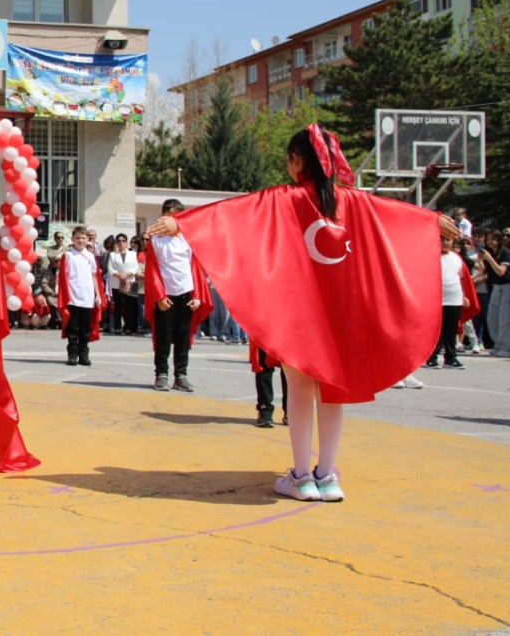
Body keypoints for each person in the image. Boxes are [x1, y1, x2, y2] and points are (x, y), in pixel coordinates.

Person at [148, 125, 459, 502]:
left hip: (302, 314)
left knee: (299, 392)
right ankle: (327, 475)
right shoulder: (352, 202)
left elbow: (236, 213)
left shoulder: (285, 198)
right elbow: (392, 215)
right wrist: (430, 221)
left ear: (297, 161)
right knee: (334, 394)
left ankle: (301, 476)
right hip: (343, 314)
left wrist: (183, 222)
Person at [143, 199, 211, 393]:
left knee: (183, 337)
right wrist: (159, 296)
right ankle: (161, 374)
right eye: (170, 216)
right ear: (163, 217)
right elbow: (152, 270)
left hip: (186, 293)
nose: (173, 220)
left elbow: (195, 268)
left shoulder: (188, 239)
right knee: (163, 337)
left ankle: (181, 375)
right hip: (166, 295)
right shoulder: (156, 241)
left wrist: (197, 296)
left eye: (177, 216)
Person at [424, 235, 475, 370]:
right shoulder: (431, 256)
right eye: (442, 240)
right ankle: (431, 358)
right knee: (437, 331)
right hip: (436, 300)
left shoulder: (456, 258)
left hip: (454, 299)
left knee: (451, 330)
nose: (445, 243)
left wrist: (464, 296)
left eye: (448, 240)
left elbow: (462, 278)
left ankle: (450, 358)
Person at [56, 226, 102, 366]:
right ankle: (72, 354)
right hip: (73, 297)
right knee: (73, 328)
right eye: (77, 238)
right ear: (72, 239)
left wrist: (98, 295)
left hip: (87, 297)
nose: (80, 241)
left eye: (83, 238)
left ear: (87, 240)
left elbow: (94, 276)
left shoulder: (90, 256)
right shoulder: (68, 255)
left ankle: (83, 354)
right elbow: (63, 277)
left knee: (85, 328)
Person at [477, 230, 510, 358]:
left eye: (493, 239)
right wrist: (481, 260)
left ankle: (507, 348)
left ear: (499, 240)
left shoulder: (505, 253)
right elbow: (484, 271)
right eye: (488, 239)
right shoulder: (490, 253)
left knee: (506, 317)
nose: (490, 242)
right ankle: (498, 346)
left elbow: (500, 271)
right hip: (496, 286)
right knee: (492, 318)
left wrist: (489, 258)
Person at [106, 233, 139, 335]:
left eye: (123, 241)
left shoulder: (133, 254)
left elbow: (135, 267)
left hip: (130, 281)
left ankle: (129, 327)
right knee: (118, 306)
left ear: (126, 242)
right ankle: (117, 327)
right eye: (119, 241)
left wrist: (127, 274)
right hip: (117, 282)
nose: (121, 243)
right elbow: (110, 268)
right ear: (116, 243)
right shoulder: (112, 254)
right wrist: (119, 275)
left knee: (130, 306)